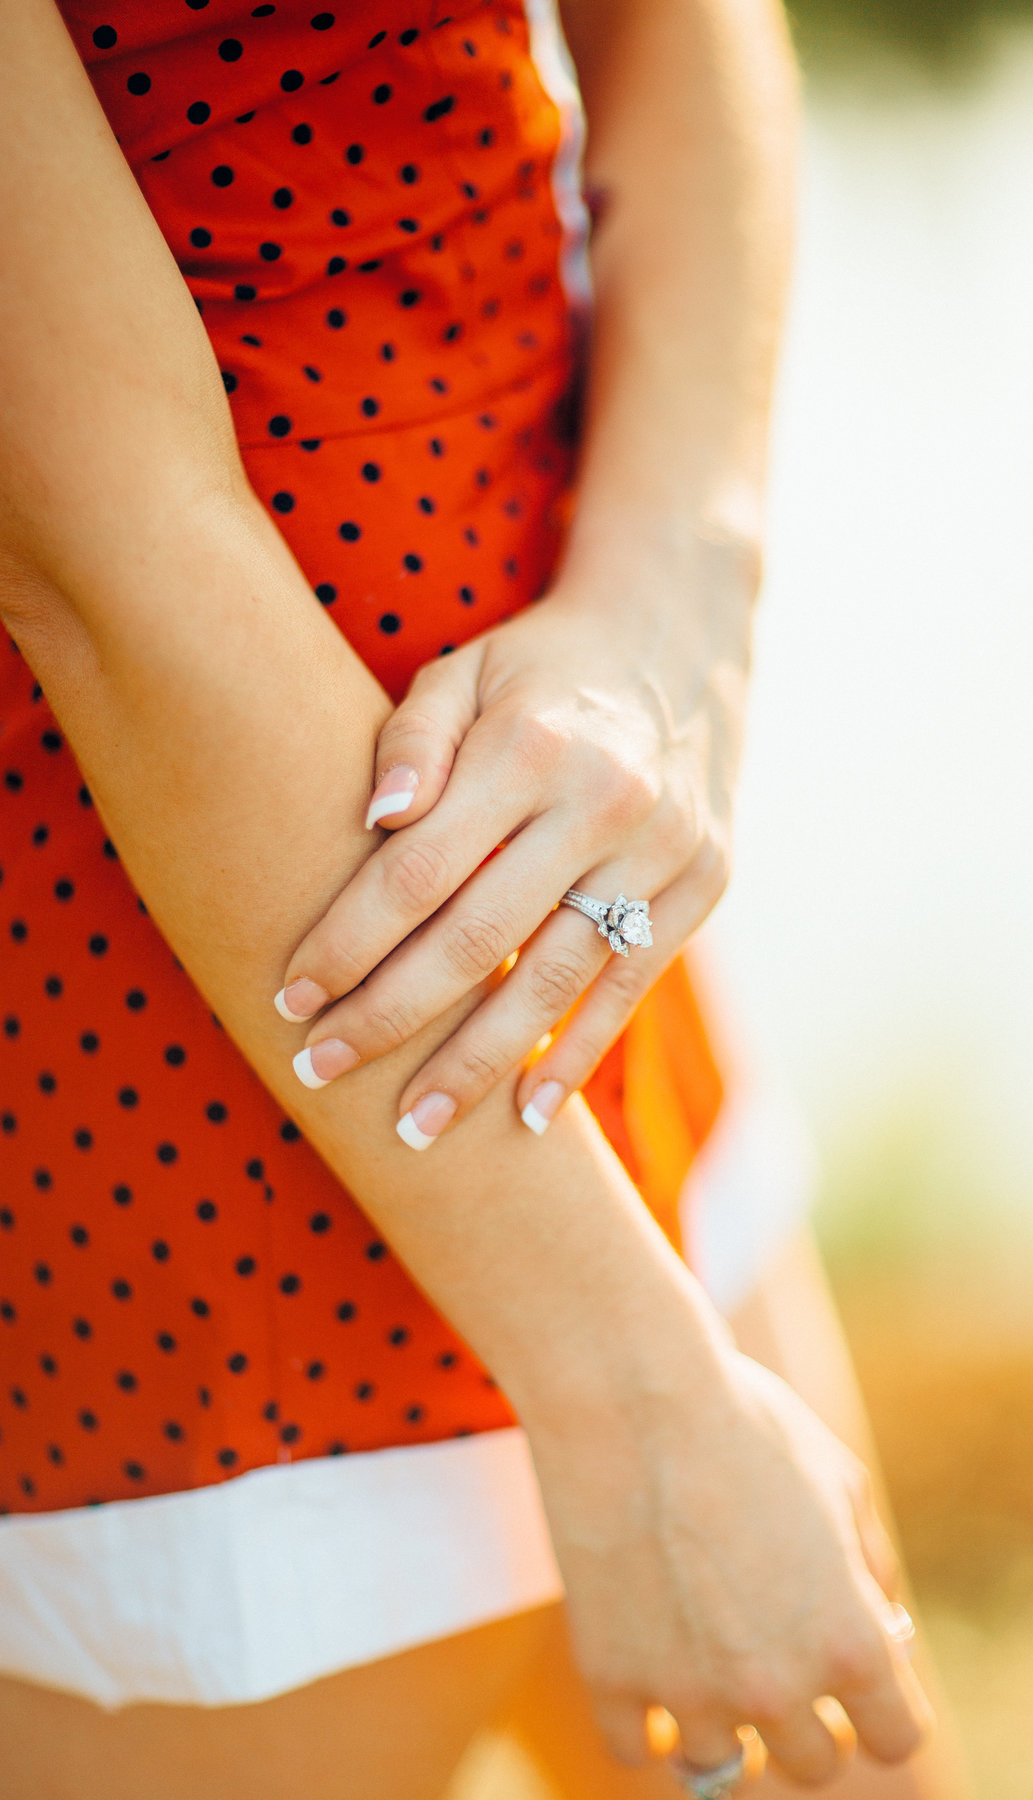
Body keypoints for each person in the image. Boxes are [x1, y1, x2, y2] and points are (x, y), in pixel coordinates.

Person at [0, 1, 963, 1795]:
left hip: (580, 900)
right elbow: (101, 552)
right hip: (161, 1059)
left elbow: (687, 37)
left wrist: (672, 610)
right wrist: (640, 1399)